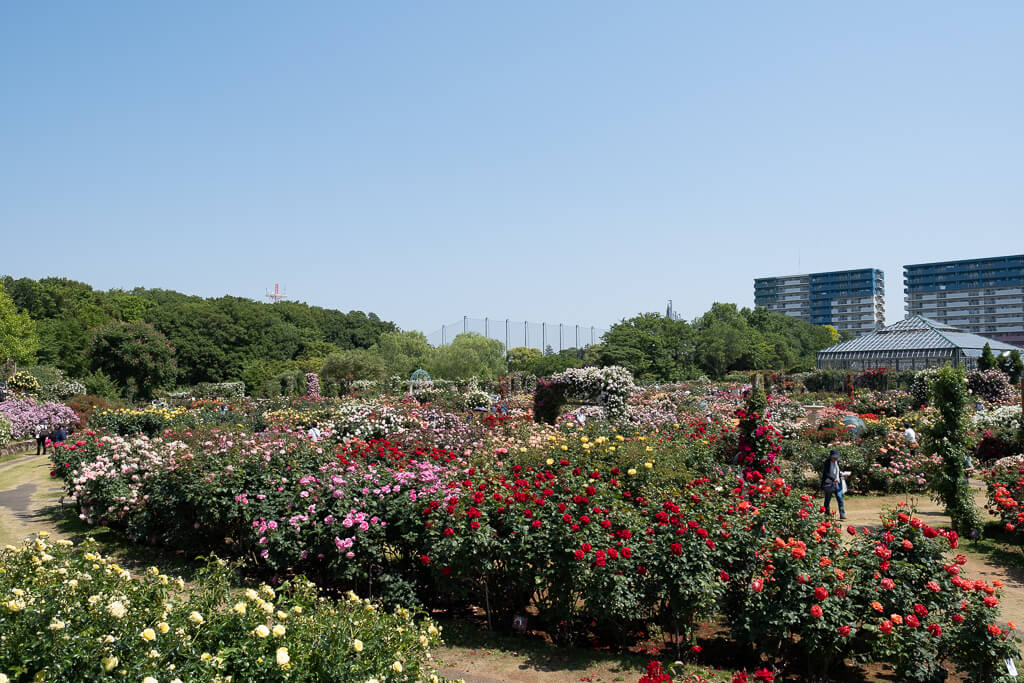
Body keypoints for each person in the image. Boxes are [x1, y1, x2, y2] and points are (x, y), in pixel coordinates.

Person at [821, 449, 846, 520]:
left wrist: (842, 475)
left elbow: (837, 472)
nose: (835, 459)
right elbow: (826, 473)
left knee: (839, 497)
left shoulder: (837, 462)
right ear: (830, 457)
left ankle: (842, 513)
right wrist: (833, 479)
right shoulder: (827, 462)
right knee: (827, 499)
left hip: (837, 483)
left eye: (836, 457)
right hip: (829, 483)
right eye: (834, 457)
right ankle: (826, 513)